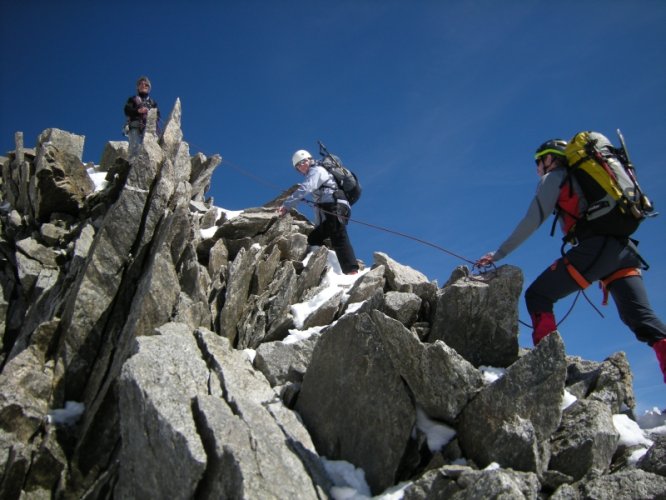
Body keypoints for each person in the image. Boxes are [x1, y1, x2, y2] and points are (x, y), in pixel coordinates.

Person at [476, 136, 666, 382]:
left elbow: (532, 220)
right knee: (643, 320)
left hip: (597, 248)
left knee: (538, 295)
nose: (537, 168)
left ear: (551, 158)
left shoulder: (555, 178)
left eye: (539, 161)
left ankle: (547, 372)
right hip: (625, 250)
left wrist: (498, 254)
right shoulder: (591, 179)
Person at [278, 149, 359, 275]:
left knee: (338, 235)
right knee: (314, 237)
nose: (302, 166)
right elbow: (319, 207)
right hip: (334, 206)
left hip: (334, 205)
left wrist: (286, 205)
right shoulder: (317, 173)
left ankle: (351, 270)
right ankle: (323, 262)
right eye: (298, 166)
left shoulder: (316, 170)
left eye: (303, 162)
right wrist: (318, 224)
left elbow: (305, 188)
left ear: (310, 159)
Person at [124, 76, 159, 155]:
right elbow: (127, 110)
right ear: (138, 87)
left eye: (146, 85)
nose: (143, 86)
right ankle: (133, 163)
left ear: (149, 88)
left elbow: (158, 115)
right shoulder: (132, 99)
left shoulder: (153, 103)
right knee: (134, 148)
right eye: (141, 84)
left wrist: (150, 114)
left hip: (149, 127)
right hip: (135, 125)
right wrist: (138, 111)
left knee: (149, 147)